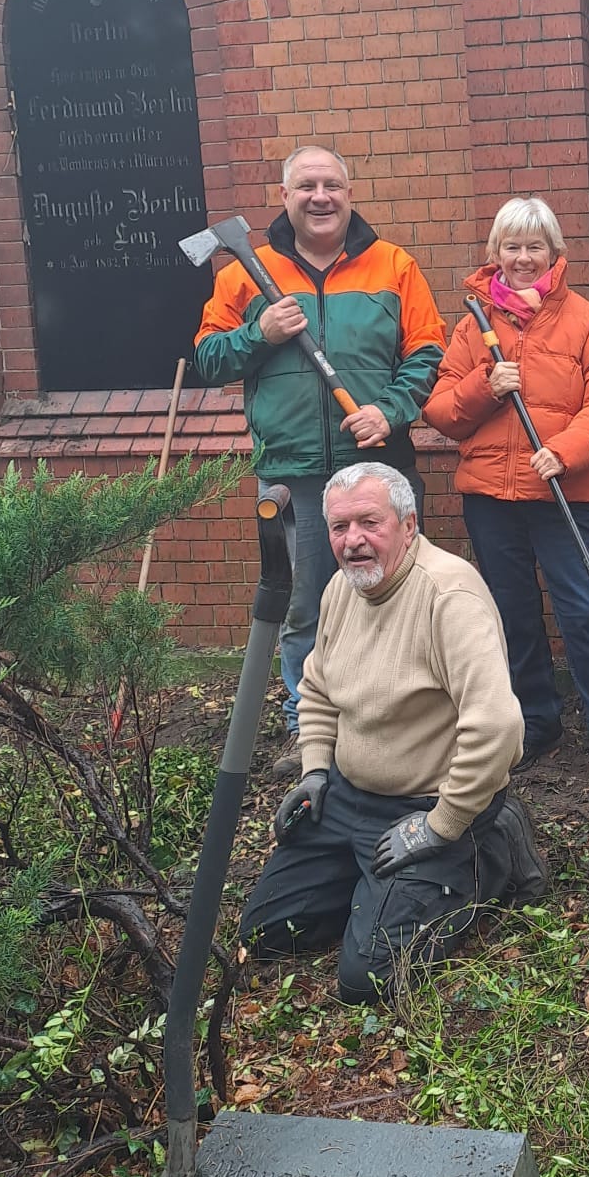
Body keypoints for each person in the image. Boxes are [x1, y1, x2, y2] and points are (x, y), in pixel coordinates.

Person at [239, 463, 549, 1002]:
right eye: (340, 527)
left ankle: (492, 849)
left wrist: (442, 824)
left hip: (427, 806)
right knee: (265, 933)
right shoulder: (342, 589)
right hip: (348, 800)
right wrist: (315, 771)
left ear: (409, 525)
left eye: (369, 523)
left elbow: (498, 725)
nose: (353, 541)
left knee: (368, 979)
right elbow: (316, 689)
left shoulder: (450, 596)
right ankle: (376, 886)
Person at [195, 147, 446, 773]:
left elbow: (428, 352)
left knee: (393, 596)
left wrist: (389, 410)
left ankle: (395, 729)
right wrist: (263, 334)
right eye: (305, 185)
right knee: (306, 604)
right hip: (294, 470)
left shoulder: (393, 266)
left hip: (378, 464)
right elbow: (208, 358)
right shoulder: (245, 274)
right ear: (285, 196)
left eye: (331, 184)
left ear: (349, 192)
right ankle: (312, 742)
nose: (320, 197)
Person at [422, 198, 589, 775]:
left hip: (562, 494)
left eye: (533, 246)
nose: (522, 258)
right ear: (496, 254)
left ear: (555, 254)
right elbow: (440, 411)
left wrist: (562, 453)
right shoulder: (473, 328)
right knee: (511, 615)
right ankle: (535, 725)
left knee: (584, 614)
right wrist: (485, 388)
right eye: (511, 247)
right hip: (490, 499)